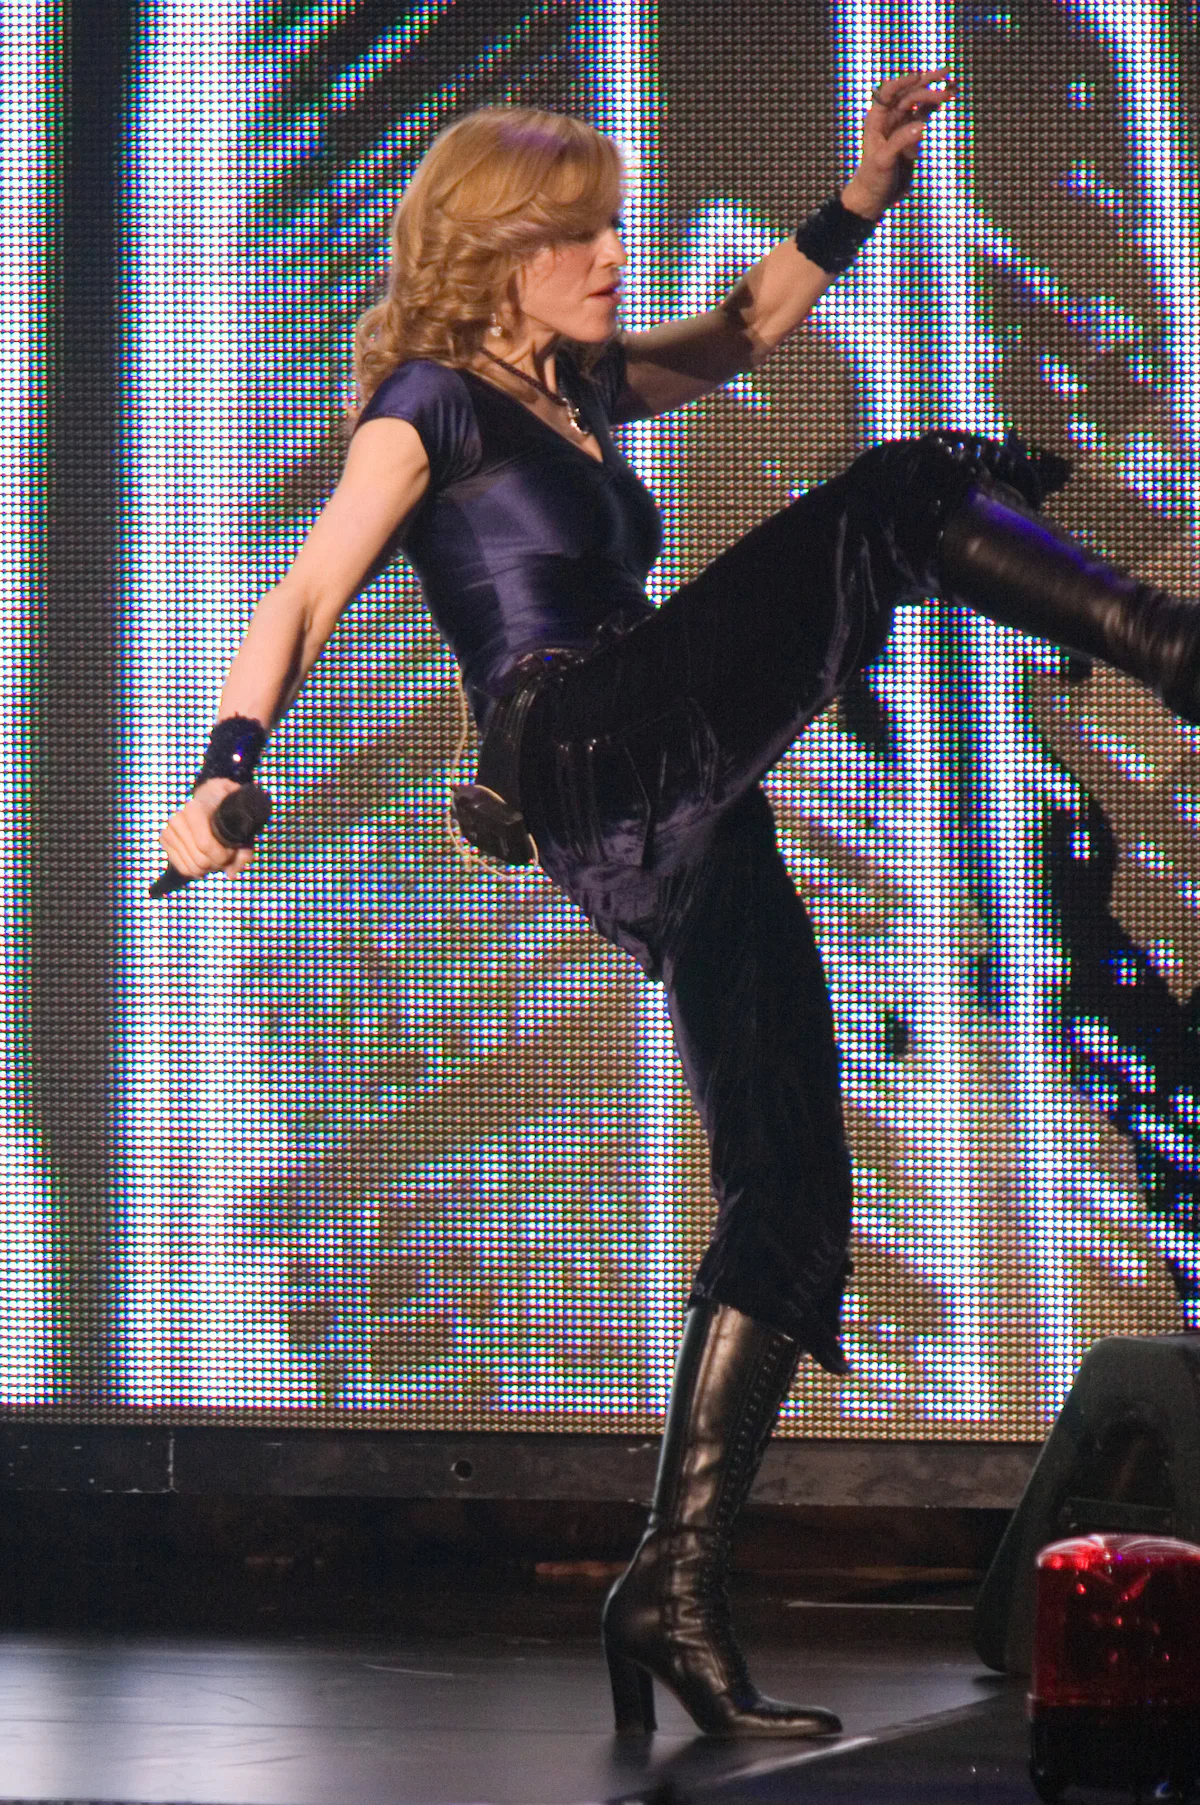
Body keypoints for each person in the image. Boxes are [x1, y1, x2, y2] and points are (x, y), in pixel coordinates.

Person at [159, 83, 1200, 1739]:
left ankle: (674, 1580)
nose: (611, 258)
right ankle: (1171, 648)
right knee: (894, 494)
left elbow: (743, 331)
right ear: (496, 252)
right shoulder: (429, 405)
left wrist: (860, 192)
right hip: (589, 732)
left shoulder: (576, 388)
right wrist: (226, 770)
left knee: (794, 1184)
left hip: (669, 791)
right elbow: (303, 588)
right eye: (581, 235)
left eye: (612, 229)